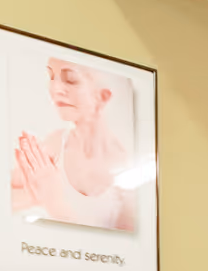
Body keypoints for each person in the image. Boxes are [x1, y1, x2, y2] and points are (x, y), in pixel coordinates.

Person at [10, 57, 138, 232]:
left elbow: (122, 252)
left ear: (102, 97)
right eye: (51, 77)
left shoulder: (127, 166)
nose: (55, 89)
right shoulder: (54, 146)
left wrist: (53, 202)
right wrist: (35, 197)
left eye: (71, 79)